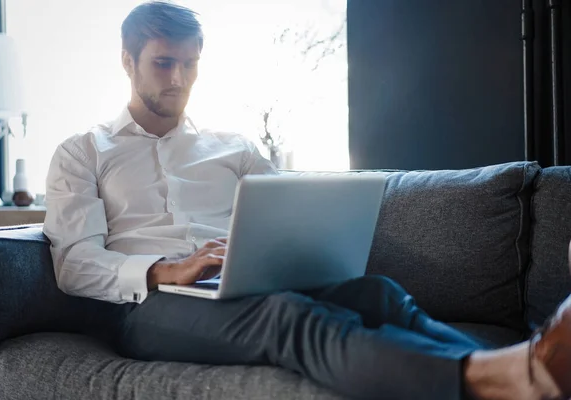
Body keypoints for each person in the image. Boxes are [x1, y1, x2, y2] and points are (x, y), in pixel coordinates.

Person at [43, 2, 571, 399]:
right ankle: (488, 377)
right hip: (148, 309)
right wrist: (166, 269)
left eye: (189, 63)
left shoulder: (234, 148)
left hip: (237, 287)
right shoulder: (83, 152)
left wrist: (291, 253)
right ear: (127, 61)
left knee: (379, 294)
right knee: (287, 316)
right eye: (162, 63)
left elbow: (288, 216)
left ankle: (520, 369)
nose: (179, 79)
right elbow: (74, 264)